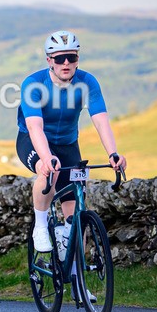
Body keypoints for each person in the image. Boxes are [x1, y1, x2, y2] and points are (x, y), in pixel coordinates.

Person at [16, 30, 127, 258]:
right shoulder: (33, 84)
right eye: (59, 58)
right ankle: (40, 226)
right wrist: (46, 158)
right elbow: (35, 127)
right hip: (33, 141)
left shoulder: (87, 82)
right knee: (49, 173)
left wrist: (113, 153)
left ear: (77, 59)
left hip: (67, 145)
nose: (65, 63)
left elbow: (100, 120)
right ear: (49, 61)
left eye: (71, 57)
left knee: (76, 214)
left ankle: (77, 277)